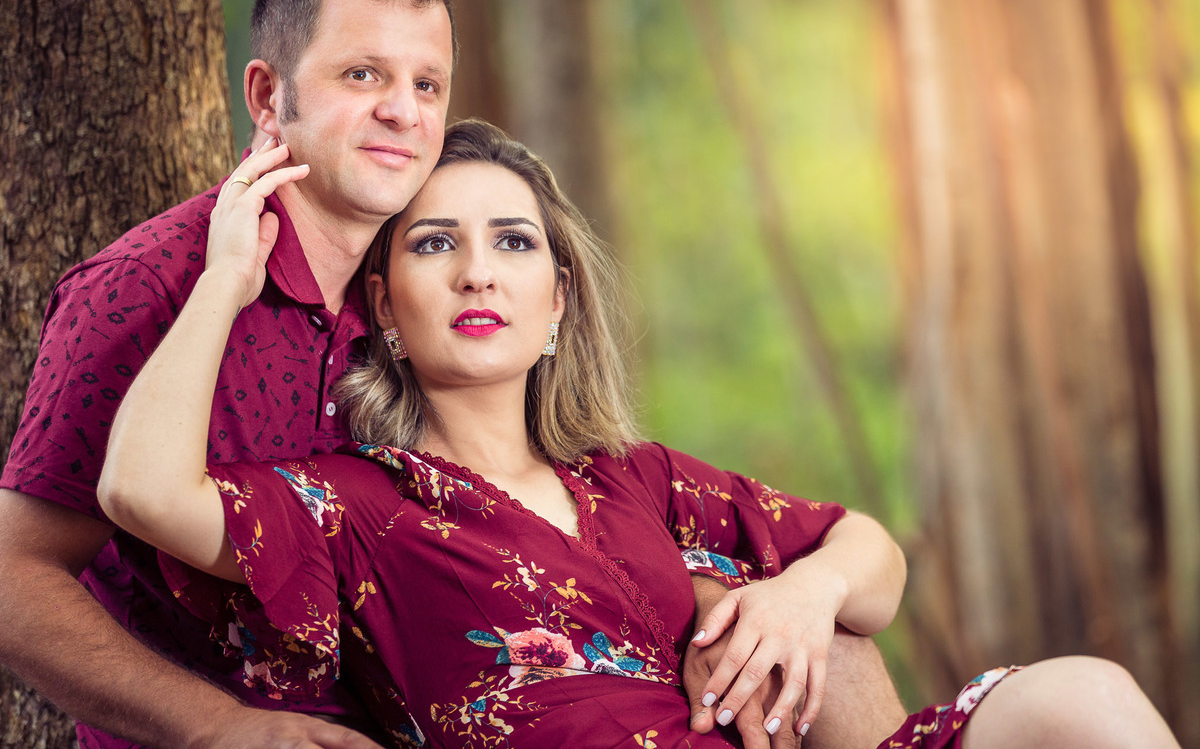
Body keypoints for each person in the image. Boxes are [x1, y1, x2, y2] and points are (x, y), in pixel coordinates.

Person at [0, 0, 903, 749]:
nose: (402, 110)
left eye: (425, 84)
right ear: (270, 97)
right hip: (231, 729)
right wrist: (215, 726)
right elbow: (14, 579)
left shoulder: (425, 286)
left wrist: (727, 608)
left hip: (448, 715)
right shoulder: (150, 289)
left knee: (838, 645)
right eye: (363, 76)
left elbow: (524, 522)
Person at [99, 119, 1182, 749]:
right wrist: (226, 280)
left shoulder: (634, 476)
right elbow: (142, 489)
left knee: (1083, 693)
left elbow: (871, 555)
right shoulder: (354, 502)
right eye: (436, 244)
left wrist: (799, 593)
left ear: (557, 299)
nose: (479, 270)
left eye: (512, 242)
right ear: (384, 305)